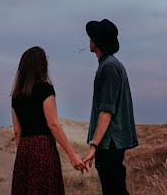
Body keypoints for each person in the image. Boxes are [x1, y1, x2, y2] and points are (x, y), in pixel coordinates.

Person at [11, 46, 87, 195]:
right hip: (43, 149)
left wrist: (24, 153)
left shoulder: (16, 95)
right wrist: (72, 155)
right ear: (42, 66)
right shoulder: (45, 89)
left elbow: (16, 131)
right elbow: (53, 124)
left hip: (24, 151)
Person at [81, 19, 138, 195]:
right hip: (110, 142)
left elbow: (107, 110)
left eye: (92, 37)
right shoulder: (108, 65)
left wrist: (94, 145)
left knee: (114, 190)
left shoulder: (110, 67)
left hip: (110, 142)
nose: (89, 40)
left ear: (97, 42)